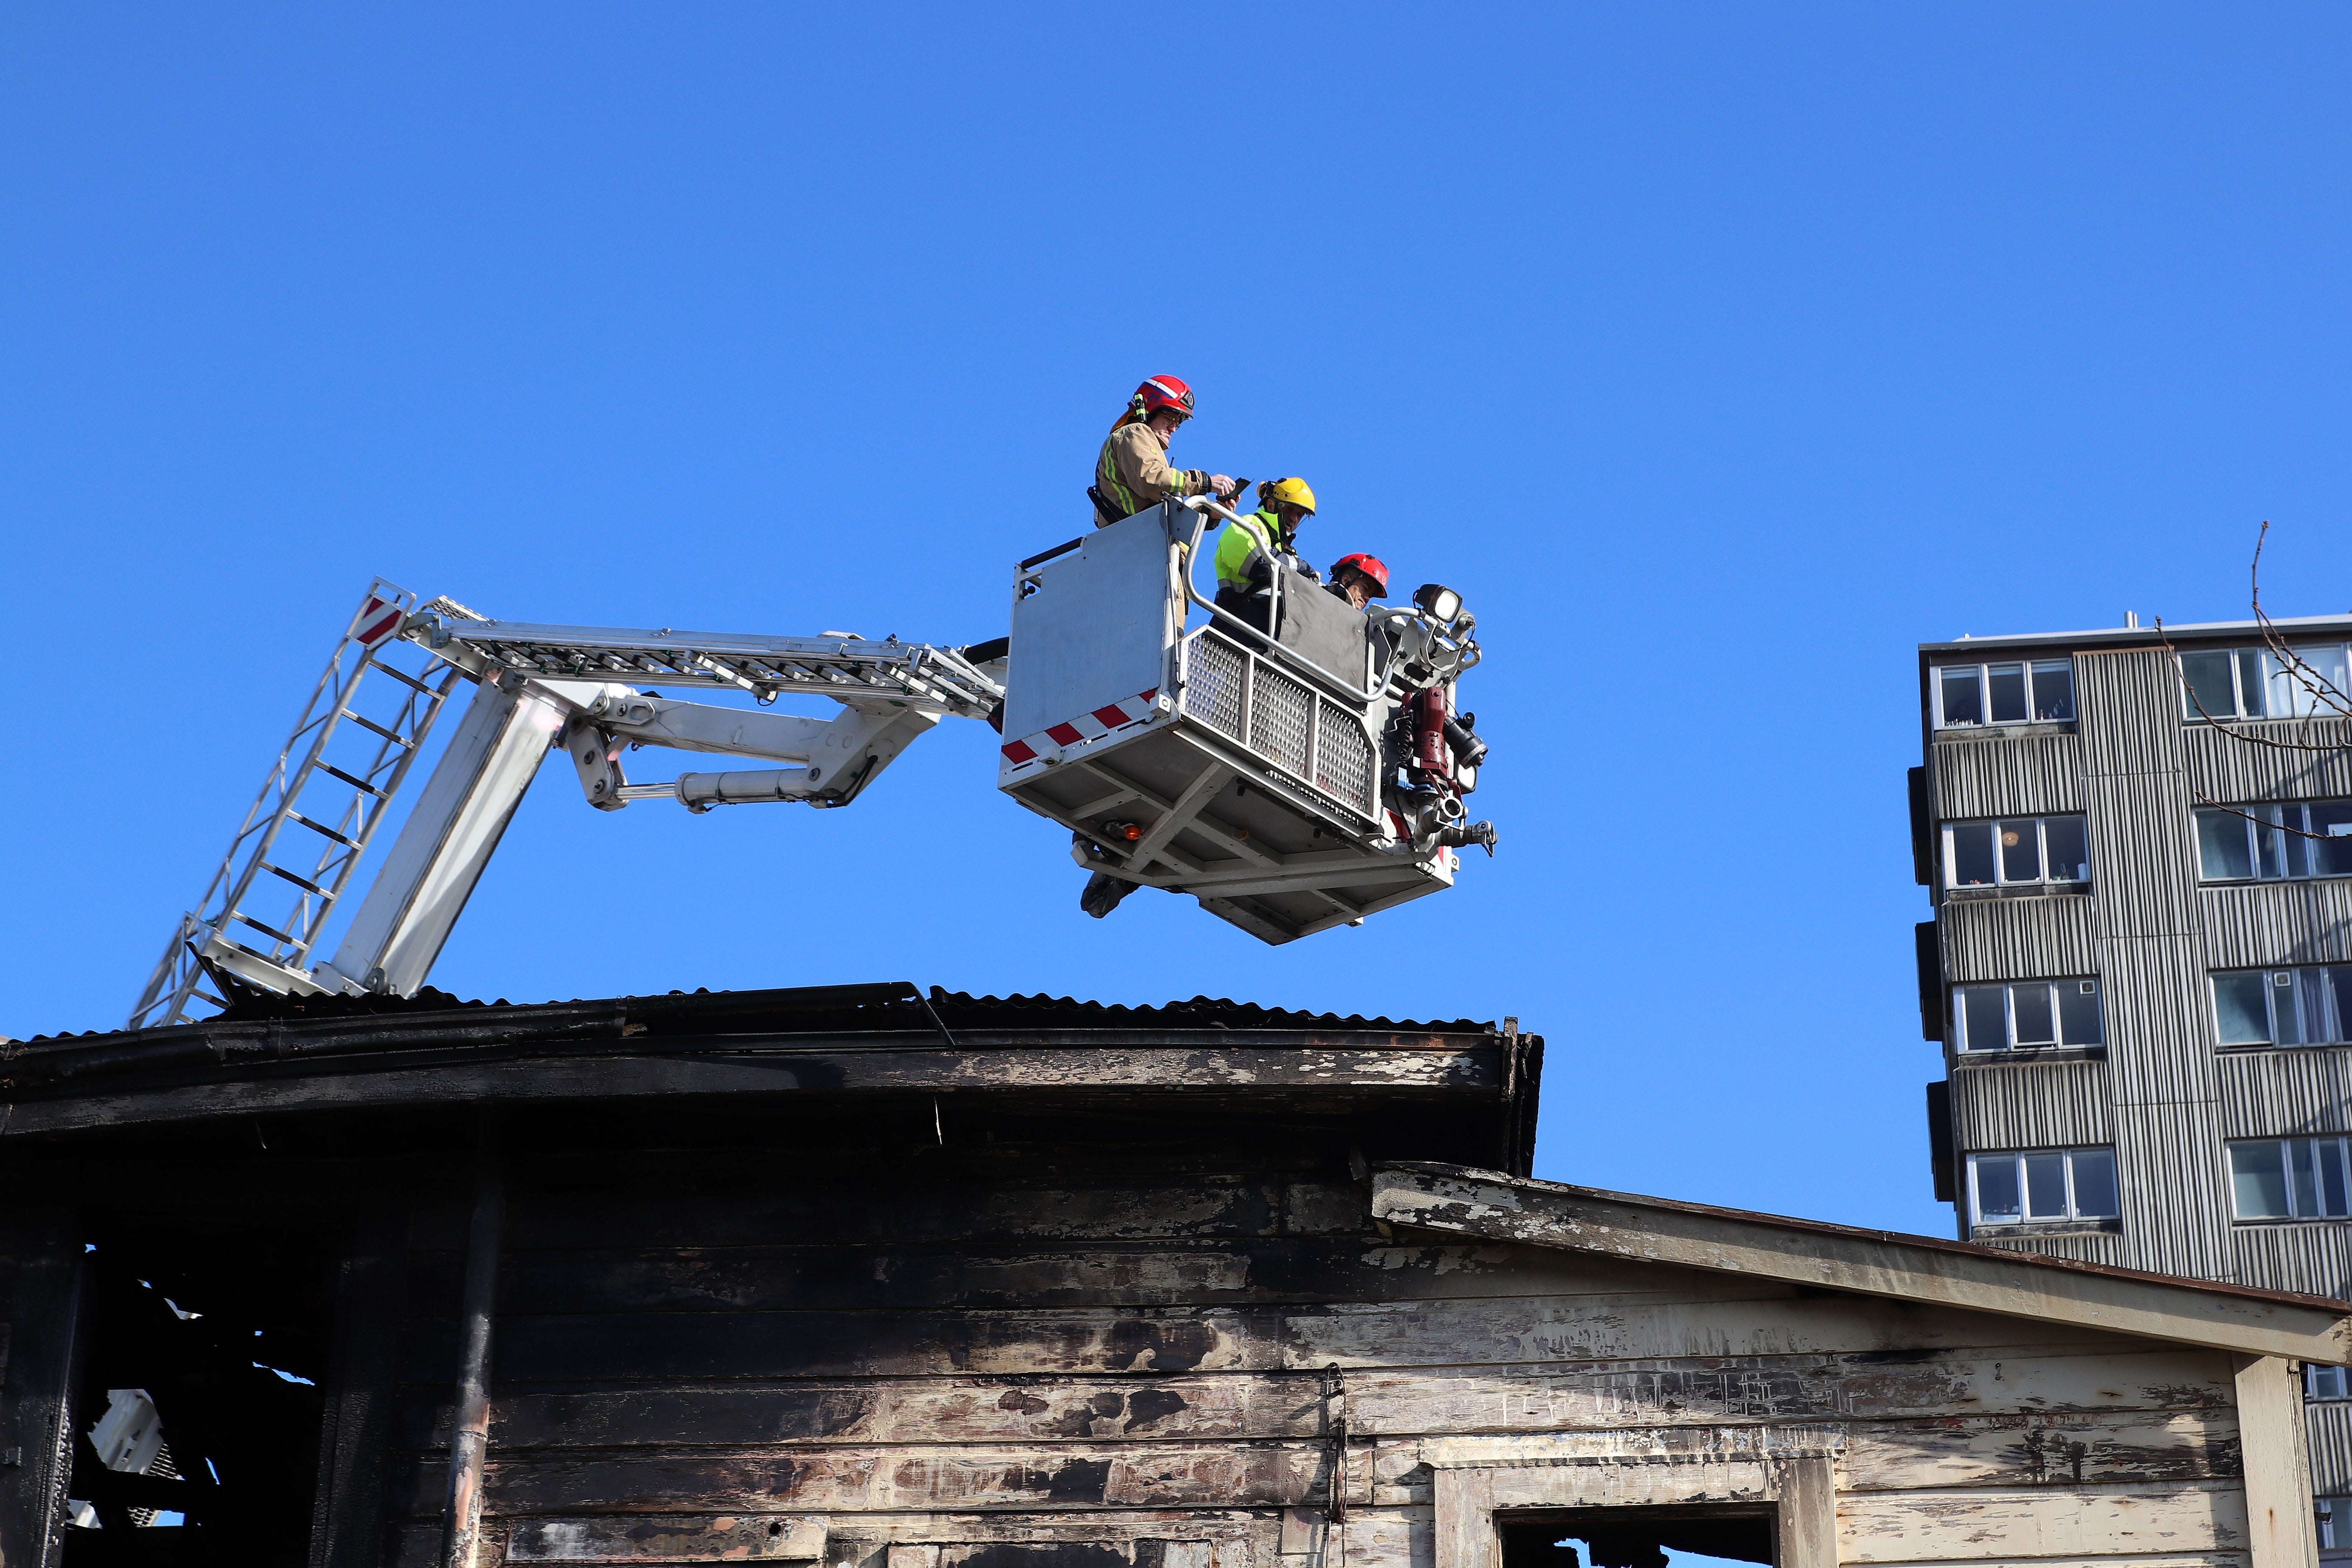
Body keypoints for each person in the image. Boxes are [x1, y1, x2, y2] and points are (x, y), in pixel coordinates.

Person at [1090, 377, 1236, 527]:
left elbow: (1165, 515)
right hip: (1135, 534)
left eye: (1178, 423)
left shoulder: (1140, 444)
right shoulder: (1133, 432)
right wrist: (1204, 482)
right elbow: (1151, 479)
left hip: (1143, 535)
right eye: (1170, 418)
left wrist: (1211, 512)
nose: (1173, 429)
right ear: (1149, 410)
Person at [1212, 477, 1318, 636]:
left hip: (1269, 640)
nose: (1294, 519)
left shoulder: (1285, 550)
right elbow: (1262, 565)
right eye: (1290, 509)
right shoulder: (1246, 525)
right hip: (1234, 635)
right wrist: (1303, 569)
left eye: (1300, 515)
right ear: (1270, 505)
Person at [1325, 552, 1390, 611]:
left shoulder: (1357, 620)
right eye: (1365, 588)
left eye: (1370, 596)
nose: (1367, 598)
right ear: (1346, 580)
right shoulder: (1321, 597)